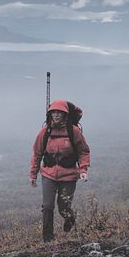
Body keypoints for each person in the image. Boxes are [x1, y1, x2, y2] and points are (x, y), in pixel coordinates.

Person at [30, 99, 91, 242]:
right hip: (48, 174)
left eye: (59, 112)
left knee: (63, 207)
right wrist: (33, 174)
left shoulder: (73, 131)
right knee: (47, 206)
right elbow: (37, 153)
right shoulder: (45, 132)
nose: (56, 115)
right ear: (50, 114)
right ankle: (47, 239)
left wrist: (83, 170)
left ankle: (70, 219)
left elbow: (83, 151)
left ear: (65, 115)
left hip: (68, 175)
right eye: (53, 112)